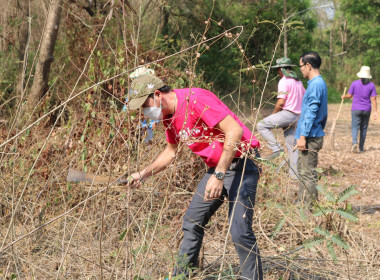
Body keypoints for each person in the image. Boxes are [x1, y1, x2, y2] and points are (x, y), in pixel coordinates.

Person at [126, 74, 263, 279]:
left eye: (145, 105)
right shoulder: (168, 117)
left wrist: (218, 174)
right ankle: (182, 275)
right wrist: (142, 174)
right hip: (218, 168)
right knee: (192, 222)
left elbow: (233, 131)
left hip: (242, 162)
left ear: (156, 94)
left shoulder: (196, 99)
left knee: (239, 230)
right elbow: (170, 152)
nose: (144, 112)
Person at [257, 57, 305, 179]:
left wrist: (274, 114)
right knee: (292, 147)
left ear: (280, 70)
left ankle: (277, 149)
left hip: (288, 114)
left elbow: (281, 102)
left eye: (278, 70)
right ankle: (294, 176)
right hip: (298, 117)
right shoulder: (298, 82)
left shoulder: (284, 81)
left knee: (261, 125)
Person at [295, 52, 328, 203]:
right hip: (310, 135)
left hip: (310, 136)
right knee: (303, 171)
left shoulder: (316, 85)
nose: (300, 69)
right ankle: (303, 205)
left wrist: (303, 136)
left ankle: (309, 210)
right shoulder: (317, 84)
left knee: (308, 174)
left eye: (301, 66)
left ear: (308, 65)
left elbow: (311, 112)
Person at [341, 66, 378, 153]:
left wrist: (344, 96)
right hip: (366, 109)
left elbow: (349, 96)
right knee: (363, 128)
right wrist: (375, 111)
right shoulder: (371, 85)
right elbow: (373, 99)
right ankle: (361, 148)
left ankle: (354, 142)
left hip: (356, 109)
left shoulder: (354, 83)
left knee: (355, 126)